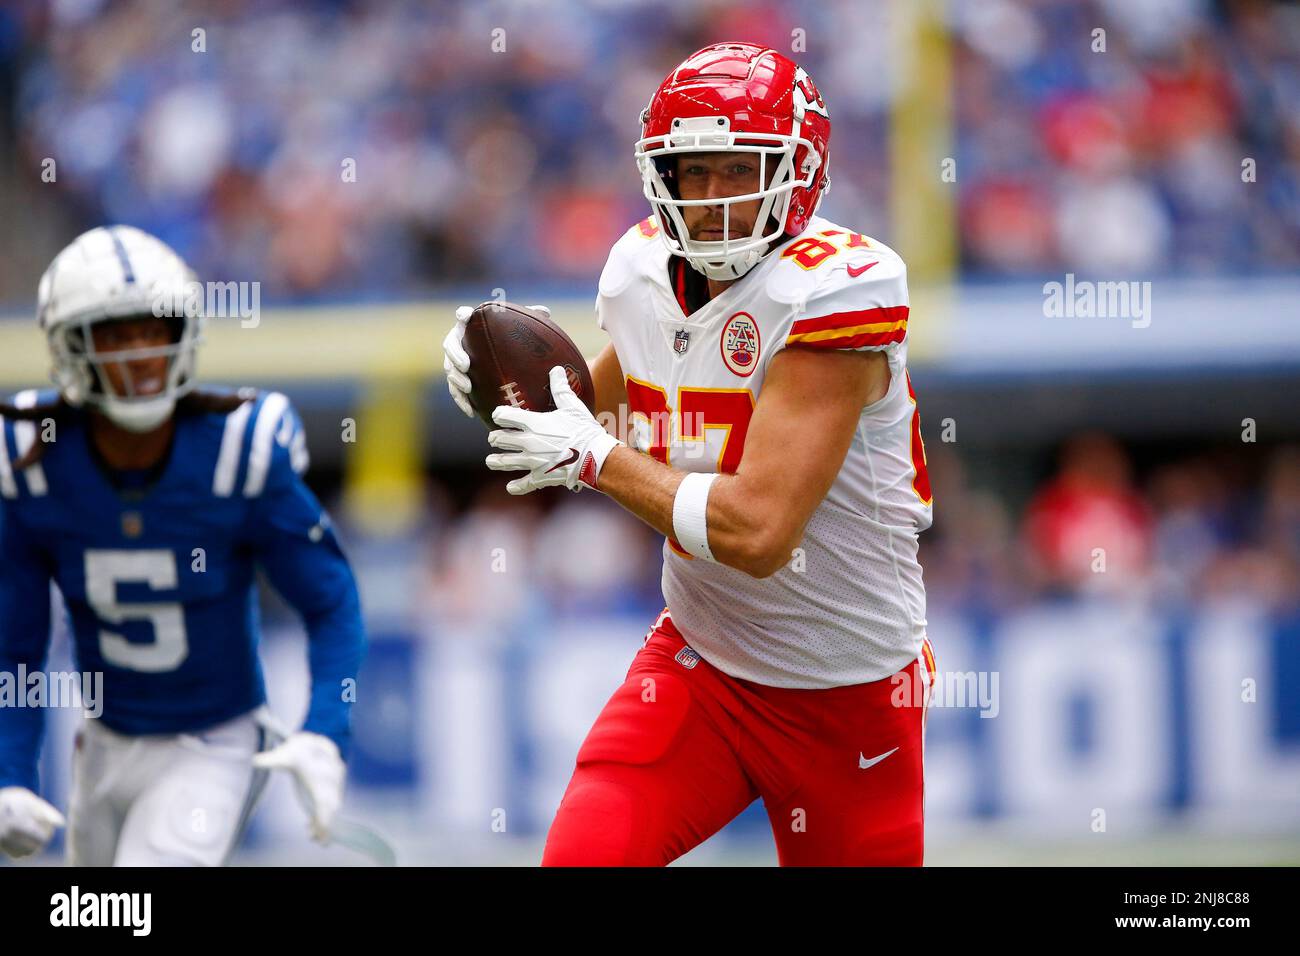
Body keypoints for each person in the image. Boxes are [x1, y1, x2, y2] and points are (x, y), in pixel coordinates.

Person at [444, 42, 935, 865]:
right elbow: (605, 400)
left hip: (849, 693)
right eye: (694, 171)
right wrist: (510, 387)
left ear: (798, 169)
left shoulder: (837, 290)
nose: (712, 200)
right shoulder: (640, 270)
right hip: (702, 666)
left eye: (738, 171)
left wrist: (594, 456)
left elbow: (758, 532)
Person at [0, 225, 365, 865]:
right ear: (70, 345)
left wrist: (325, 732)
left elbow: (330, 600)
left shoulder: (238, 449)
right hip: (103, 744)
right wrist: (9, 771)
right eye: (115, 332)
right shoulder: (33, 460)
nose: (139, 351)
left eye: (154, 328)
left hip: (213, 742)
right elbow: (15, 647)